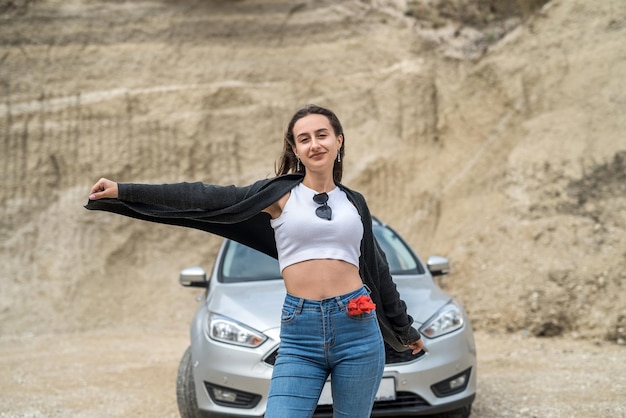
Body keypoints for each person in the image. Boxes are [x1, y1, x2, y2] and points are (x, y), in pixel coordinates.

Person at [87, 104, 423, 418]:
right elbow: (202, 195)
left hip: (357, 330)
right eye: (303, 139)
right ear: (295, 149)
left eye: (322, 135)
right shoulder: (278, 196)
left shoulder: (354, 203)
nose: (314, 144)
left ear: (338, 140)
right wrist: (124, 190)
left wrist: (406, 330)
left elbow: (379, 272)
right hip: (300, 333)